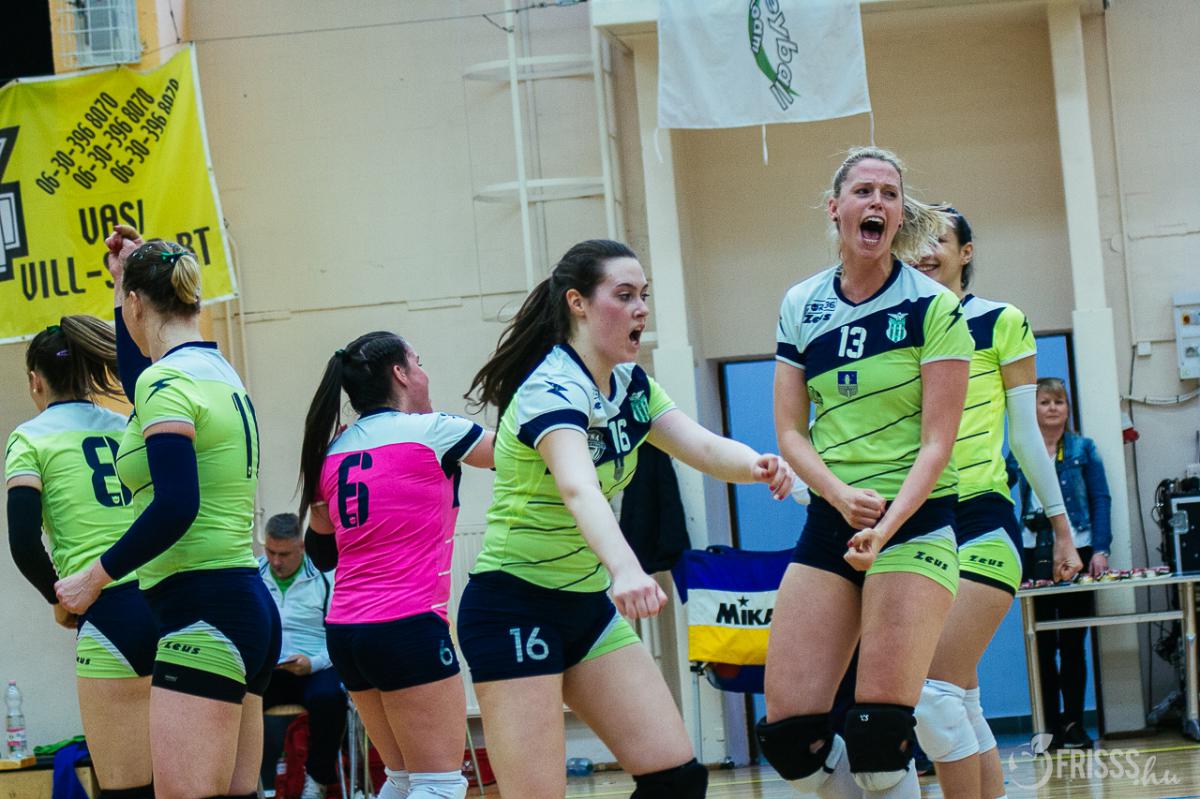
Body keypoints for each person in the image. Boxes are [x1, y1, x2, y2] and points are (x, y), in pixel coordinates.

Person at [458, 238, 794, 799]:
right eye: (624, 295)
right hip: (513, 607)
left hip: (584, 607)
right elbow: (577, 486)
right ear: (578, 303)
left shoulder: (631, 386)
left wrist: (757, 465)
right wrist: (626, 569)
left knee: (677, 781)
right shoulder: (551, 389)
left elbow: (702, 446)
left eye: (644, 295)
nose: (641, 309)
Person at [759, 147, 974, 799]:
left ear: (900, 214)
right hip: (834, 520)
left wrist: (884, 526)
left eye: (889, 193)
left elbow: (937, 443)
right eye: (863, 191)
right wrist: (836, 493)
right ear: (836, 208)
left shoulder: (933, 306)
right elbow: (790, 431)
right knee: (792, 743)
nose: (876, 201)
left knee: (879, 739)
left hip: (914, 521)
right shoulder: (801, 303)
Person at [56, 225, 280, 799]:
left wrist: (92, 577)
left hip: (202, 611)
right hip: (244, 606)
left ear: (138, 305)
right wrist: (120, 282)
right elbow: (142, 381)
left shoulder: (168, 382)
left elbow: (177, 504)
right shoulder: (216, 371)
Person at [911, 209, 1082, 798]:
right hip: (919, 524)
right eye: (916, 240)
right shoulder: (899, 328)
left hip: (983, 517)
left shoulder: (1000, 321)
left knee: (932, 696)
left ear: (966, 252)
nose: (924, 250)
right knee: (959, 698)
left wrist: (1062, 530)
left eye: (938, 239)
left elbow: (1027, 435)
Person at [298, 331, 495, 799]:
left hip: (347, 633)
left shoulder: (333, 450)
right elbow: (524, 453)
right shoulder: (433, 430)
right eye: (418, 362)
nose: (425, 373)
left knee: (404, 778)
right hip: (406, 627)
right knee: (440, 784)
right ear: (401, 374)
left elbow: (321, 554)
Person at [6, 316, 157, 798]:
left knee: (124, 788)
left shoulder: (29, 438)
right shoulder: (126, 426)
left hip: (108, 613)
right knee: (177, 783)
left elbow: (23, 541)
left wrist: (59, 598)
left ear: (35, 381)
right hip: (166, 600)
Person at [1009, 376, 1111, 750]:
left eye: (1059, 402)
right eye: (1045, 402)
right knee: (1041, 643)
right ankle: (1048, 726)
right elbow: (996, 488)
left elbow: (1101, 499)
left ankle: (1073, 724)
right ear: (1031, 409)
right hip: (1033, 551)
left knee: (1071, 641)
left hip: (1077, 550)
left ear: (1068, 409)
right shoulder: (1020, 448)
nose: (1053, 408)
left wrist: (1100, 549)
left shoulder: (1083, 448)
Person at [256, 513, 345, 799]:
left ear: (302, 547)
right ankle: (247, 784)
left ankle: (316, 782)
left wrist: (313, 663)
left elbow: (340, 636)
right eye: (270, 552)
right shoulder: (253, 575)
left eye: (284, 554)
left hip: (314, 665)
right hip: (269, 669)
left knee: (330, 698)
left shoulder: (325, 576)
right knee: (236, 698)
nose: (275, 561)